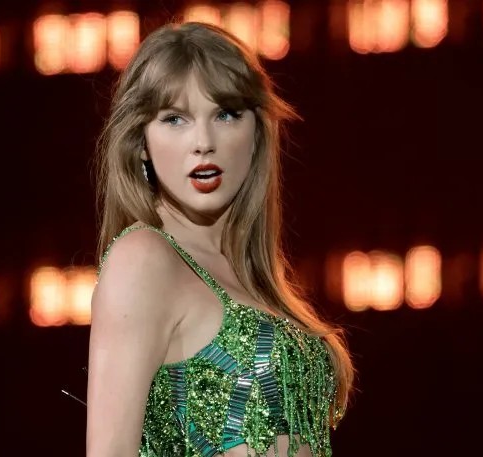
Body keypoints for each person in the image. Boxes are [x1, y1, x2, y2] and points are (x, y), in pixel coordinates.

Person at [87, 22, 354, 457]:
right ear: (141, 143)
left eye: (226, 114)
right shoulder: (143, 258)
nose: (203, 143)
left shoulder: (257, 279)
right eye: (175, 119)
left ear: (256, 133)